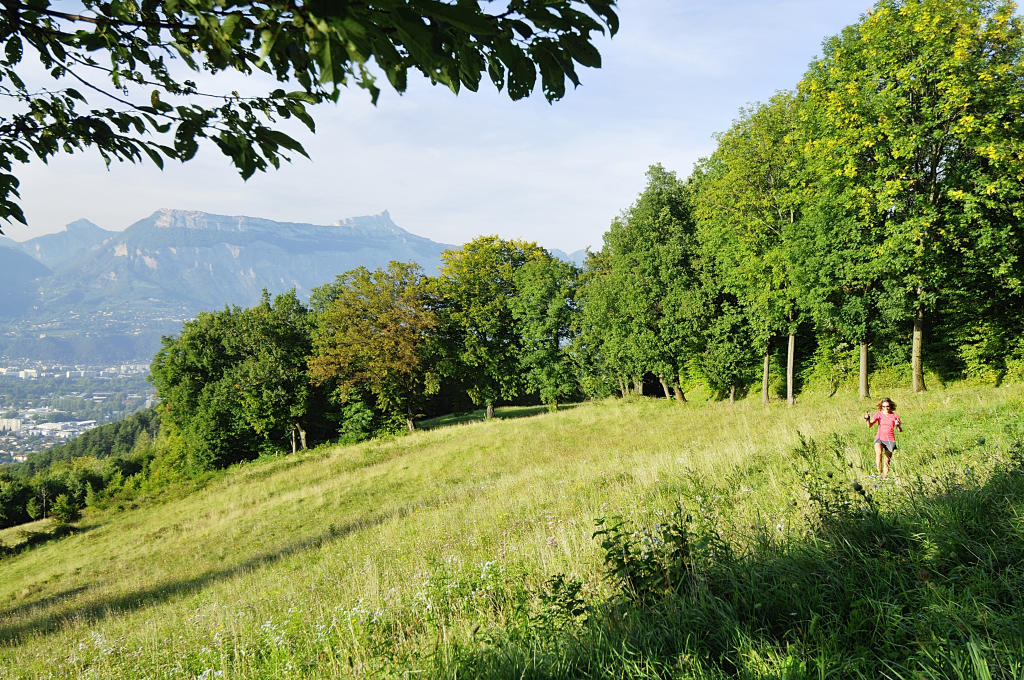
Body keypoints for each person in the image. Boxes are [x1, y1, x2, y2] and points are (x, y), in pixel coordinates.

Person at [864, 397, 902, 478]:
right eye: (884, 406)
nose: (885, 408)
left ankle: (884, 478)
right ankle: (879, 474)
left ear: (891, 406)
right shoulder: (879, 414)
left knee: (887, 461)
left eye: (887, 406)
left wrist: (897, 425)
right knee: (879, 454)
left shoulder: (894, 415)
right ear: (881, 406)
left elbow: (899, 430)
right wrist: (867, 419)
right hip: (879, 438)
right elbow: (869, 425)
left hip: (890, 440)